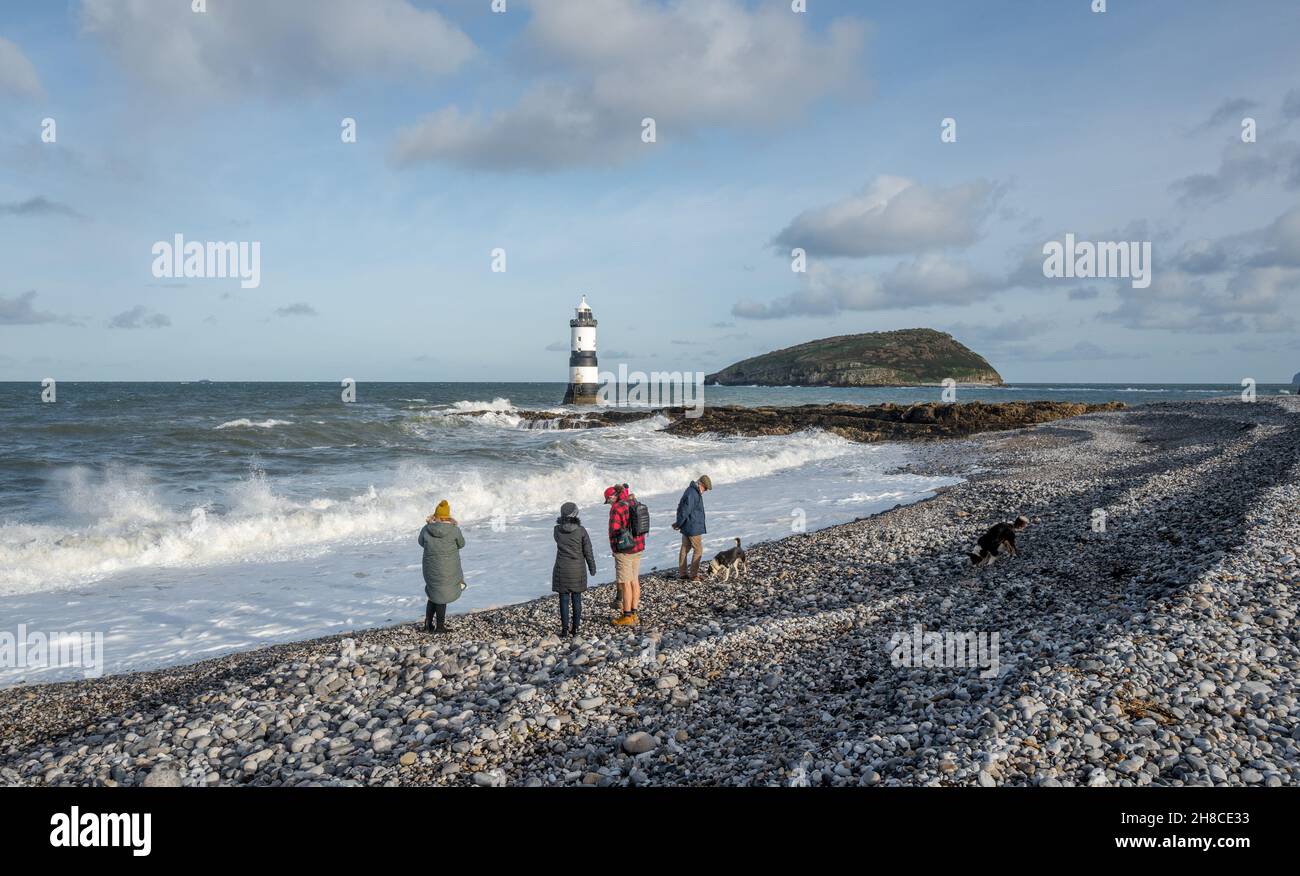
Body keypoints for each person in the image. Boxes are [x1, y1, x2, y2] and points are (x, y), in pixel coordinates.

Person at [418, 500, 466, 634]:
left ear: (436, 515)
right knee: (442, 595)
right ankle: (440, 627)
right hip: (448, 568)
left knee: (434, 594)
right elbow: (461, 544)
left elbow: (421, 542)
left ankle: (428, 625)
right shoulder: (454, 530)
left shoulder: (426, 529)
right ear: (448, 516)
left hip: (430, 567)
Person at [552, 501, 596, 637]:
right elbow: (588, 551)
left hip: (561, 568)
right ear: (575, 514)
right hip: (578, 569)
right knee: (576, 599)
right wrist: (592, 567)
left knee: (563, 600)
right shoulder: (581, 530)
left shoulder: (557, 530)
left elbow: (559, 540)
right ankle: (575, 628)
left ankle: (564, 630)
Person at [605, 483, 645, 625]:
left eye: (608, 501)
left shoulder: (617, 508)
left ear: (612, 497)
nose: (609, 504)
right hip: (639, 546)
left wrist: (614, 550)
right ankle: (634, 612)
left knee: (626, 583)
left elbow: (614, 530)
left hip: (625, 550)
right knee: (635, 580)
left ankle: (627, 615)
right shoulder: (633, 501)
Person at [672, 474, 711, 580]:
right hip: (693, 527)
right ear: (701, 484)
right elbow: (685, 510)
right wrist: (678, 523)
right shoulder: (693, 493)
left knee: (685, 548)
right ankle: (693, 575)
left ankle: (682, 573)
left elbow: (683, 509)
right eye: (705, 488)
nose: (705, 491)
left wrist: (679, 523)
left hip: (687, 525)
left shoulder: (692, 491)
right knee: (698, 550)